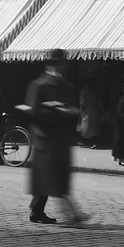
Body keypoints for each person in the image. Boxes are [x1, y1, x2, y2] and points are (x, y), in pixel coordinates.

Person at [24, 49, 87, 225]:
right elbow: (33, 112)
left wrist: (72, 113)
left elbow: (75, 109)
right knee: (52, 179)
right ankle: (73, 215)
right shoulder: (39, 85)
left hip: (62, 139)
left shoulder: (68, 87)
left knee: (53, 178)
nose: (60, 68)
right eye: (56, 65)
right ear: (49, 65)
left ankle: (37, 211)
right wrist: (56, 113)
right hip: (46, 140)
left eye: (62, 64)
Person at [78, 78, 103, 148]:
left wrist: (81, 110)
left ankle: (90, 142)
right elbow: (99, 101)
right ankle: (87, 141)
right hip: (95, 109)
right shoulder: (94, 91)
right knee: (93, 127)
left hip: (87, 110)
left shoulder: (83, 91)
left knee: (87, 127)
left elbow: (83, 102)